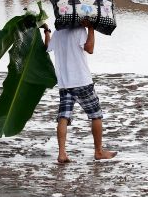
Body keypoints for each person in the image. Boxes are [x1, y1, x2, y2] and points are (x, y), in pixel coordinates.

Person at [42, 19, 117, 164]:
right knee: (96, 115)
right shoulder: (79, 30)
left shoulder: (58, 32)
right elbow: (90, 49)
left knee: (63, 117)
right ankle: (99, 151)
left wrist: (47, 30)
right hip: (82, 81)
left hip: (64, 83)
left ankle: (62, 153)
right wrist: (91, 29)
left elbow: (47, 47)